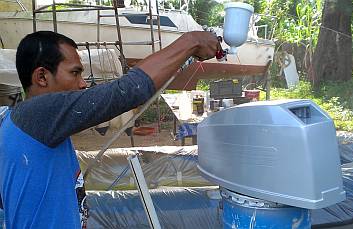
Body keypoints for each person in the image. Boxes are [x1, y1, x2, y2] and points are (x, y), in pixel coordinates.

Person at [0, 30, 220, 228]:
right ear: (41, 77)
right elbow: (126, 90)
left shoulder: (18, 122)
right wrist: (191, 41)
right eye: (75, 73)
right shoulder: (38, 115)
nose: (82, 83)